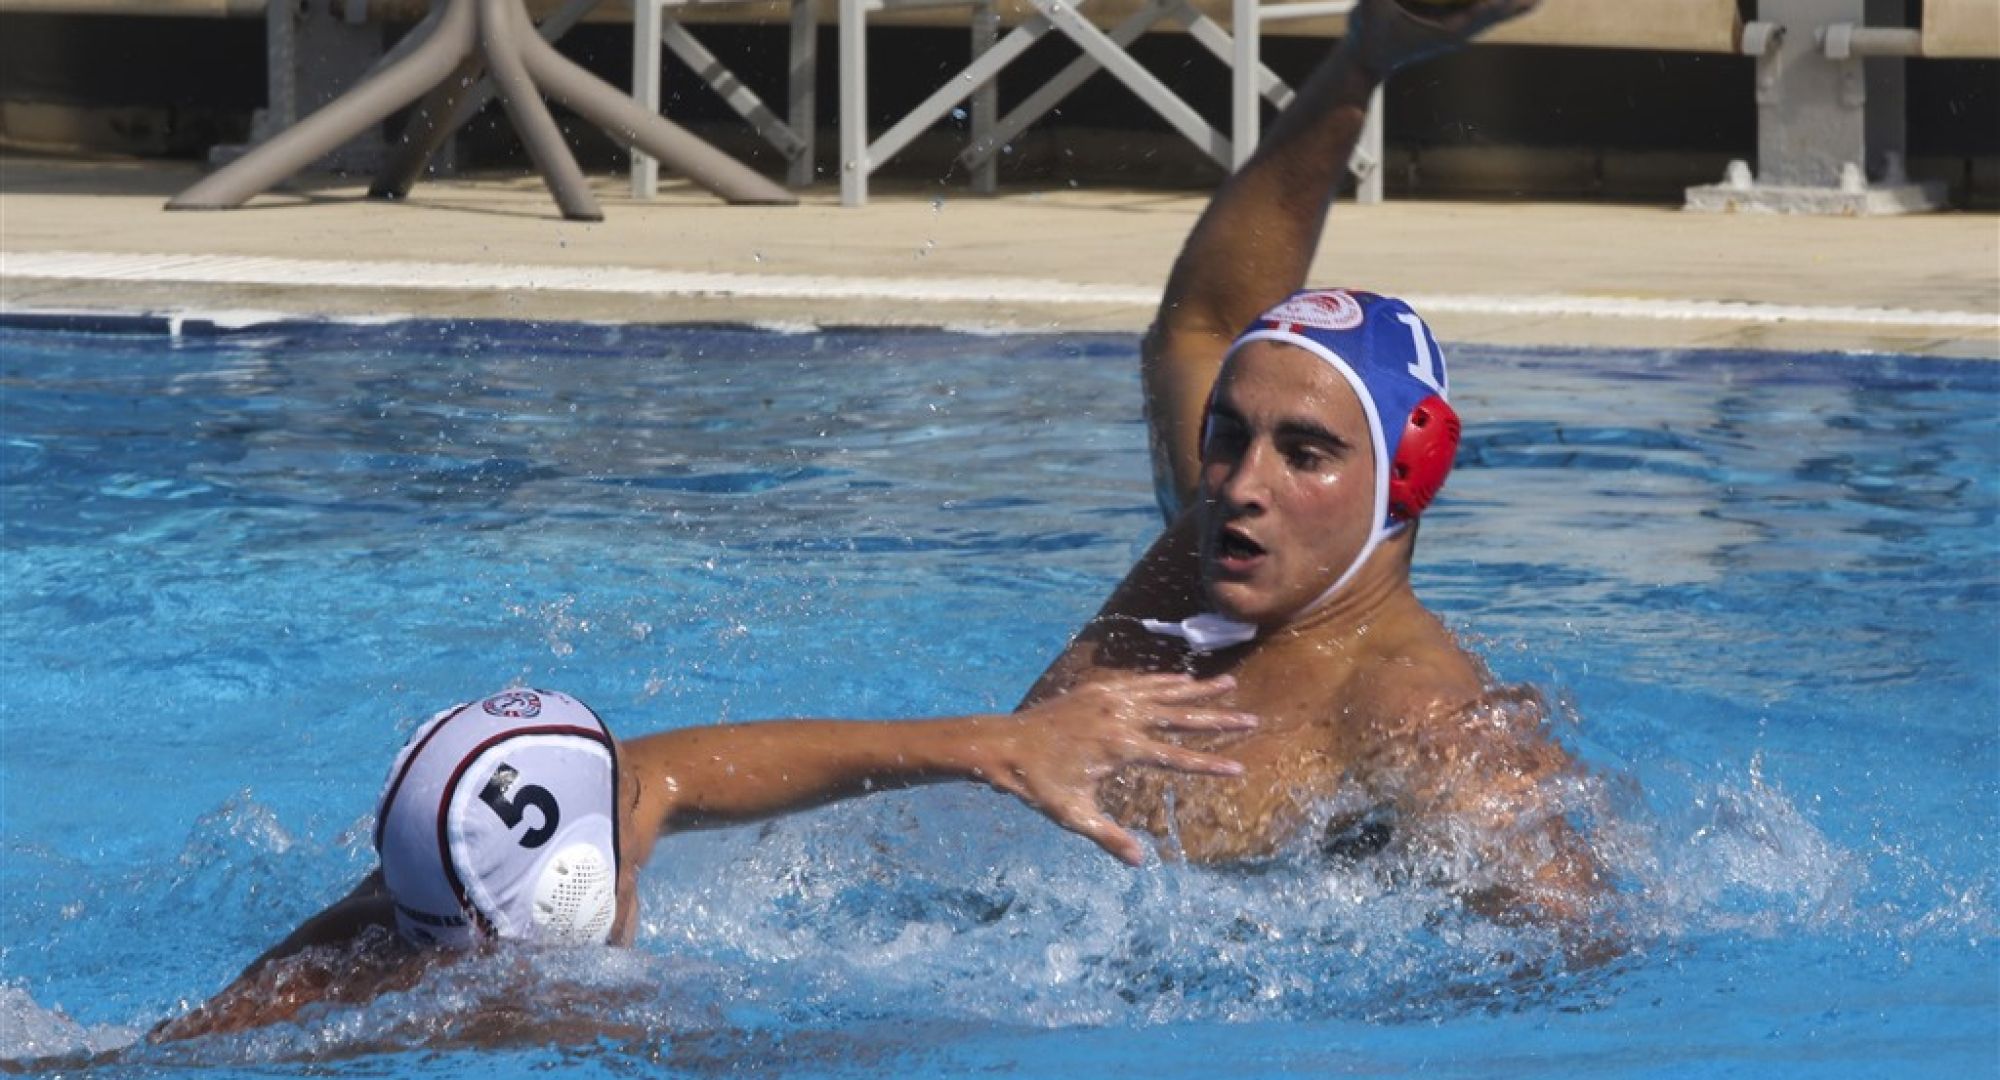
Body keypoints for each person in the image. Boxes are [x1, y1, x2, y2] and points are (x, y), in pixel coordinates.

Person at [1023, 0, 1607, 924]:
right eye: (1229, 435)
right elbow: (1202, 323)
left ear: (1407, 477)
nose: (1241, 484)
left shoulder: (1416, 716)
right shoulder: (1211, 554)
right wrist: (1359, 65)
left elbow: (1585, 943)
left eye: (1306, 452)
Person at [156, 677, 1253, 1039]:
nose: (646, 791)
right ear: (589, 892)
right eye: (623, 807)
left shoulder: (402, 911)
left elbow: (678, 774)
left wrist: (995, 747)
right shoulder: (599, 1023)